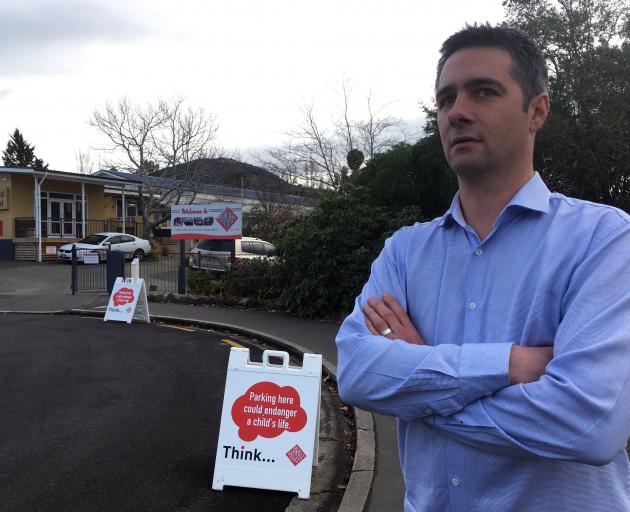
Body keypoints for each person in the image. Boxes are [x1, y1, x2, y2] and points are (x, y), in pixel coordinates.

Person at [335, 24, 630, 511]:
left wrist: (422, 382)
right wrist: (508, 365)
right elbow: (358, 374)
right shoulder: (405, 252)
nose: (458, 112)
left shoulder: (604, 240)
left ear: (537, 110)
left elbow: (587, 424)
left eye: (484, 92)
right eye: (446, 99)